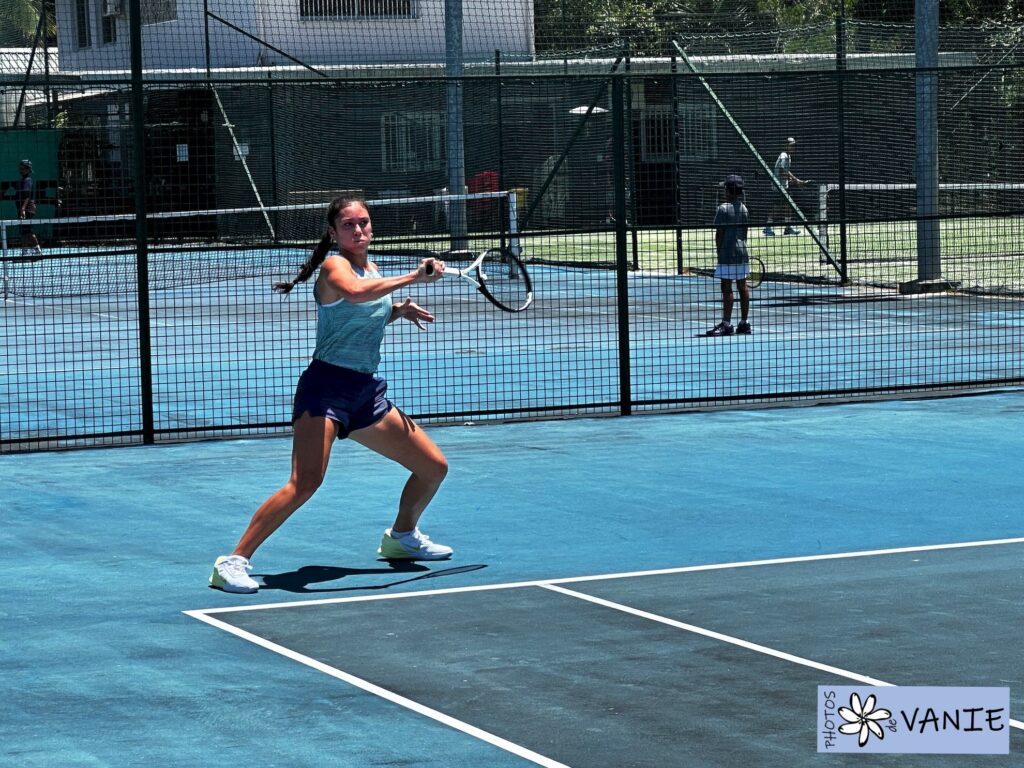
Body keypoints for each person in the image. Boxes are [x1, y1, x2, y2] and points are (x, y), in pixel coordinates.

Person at [210, 196, 452, 594]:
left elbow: (360, 309)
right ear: (333, 232)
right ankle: (232, 562)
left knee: (433, 467)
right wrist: (413, 277)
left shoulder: (371, 268)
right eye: (349, 225)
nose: (358, 231)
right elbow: (355, 295)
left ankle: (401, 537)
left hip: (364, 392)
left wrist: (397, 311)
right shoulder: (335, 266)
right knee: (305, 482)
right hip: (325, 390)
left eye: (364, 223)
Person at [706, 175, 752, 336]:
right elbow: (745, 232)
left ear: (728, 190)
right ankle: (744, 322)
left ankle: (726, 323)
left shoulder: (723, 209)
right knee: (742, 286)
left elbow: (719, 234)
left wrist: (719, 251)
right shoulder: (744, 208)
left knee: (726, 287)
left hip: (728, 252)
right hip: (742, 252)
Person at [764, 138, 805, 236]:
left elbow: (785, 171)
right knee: (777, 207)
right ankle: (768, 227)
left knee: (787, 206)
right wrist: (797, 181)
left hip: (782, 186)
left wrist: (792, 180)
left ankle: (787, 227)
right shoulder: (784, 155)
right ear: (785, 145)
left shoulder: (788, 156)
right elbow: (782, 171)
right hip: (778, 187)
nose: (793, 147)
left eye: (794, 145)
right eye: (791, 145)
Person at [15, 159, 42, 258]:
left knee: (28, 230)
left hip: (27, 209)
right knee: (24, 231)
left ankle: (37, 250)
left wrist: (23, 209)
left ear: (27, 169)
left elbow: (27, 195)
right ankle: (25, 251)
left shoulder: (27, 180)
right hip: (23, 209)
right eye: (20, 167)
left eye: (23, 168)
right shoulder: (23, 180)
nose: (20, 169)